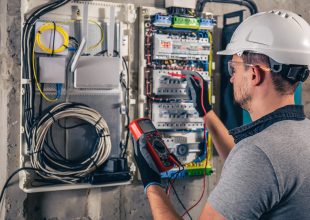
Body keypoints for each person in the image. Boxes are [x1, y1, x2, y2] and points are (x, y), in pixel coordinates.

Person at [132, 10, 310, 220]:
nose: (232, 79)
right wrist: (206, 113)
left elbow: (256, 163)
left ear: (254, 74)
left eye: (233, 69)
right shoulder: (299, 135)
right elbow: (255, 171)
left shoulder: (258, 155)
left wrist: (152, 184)